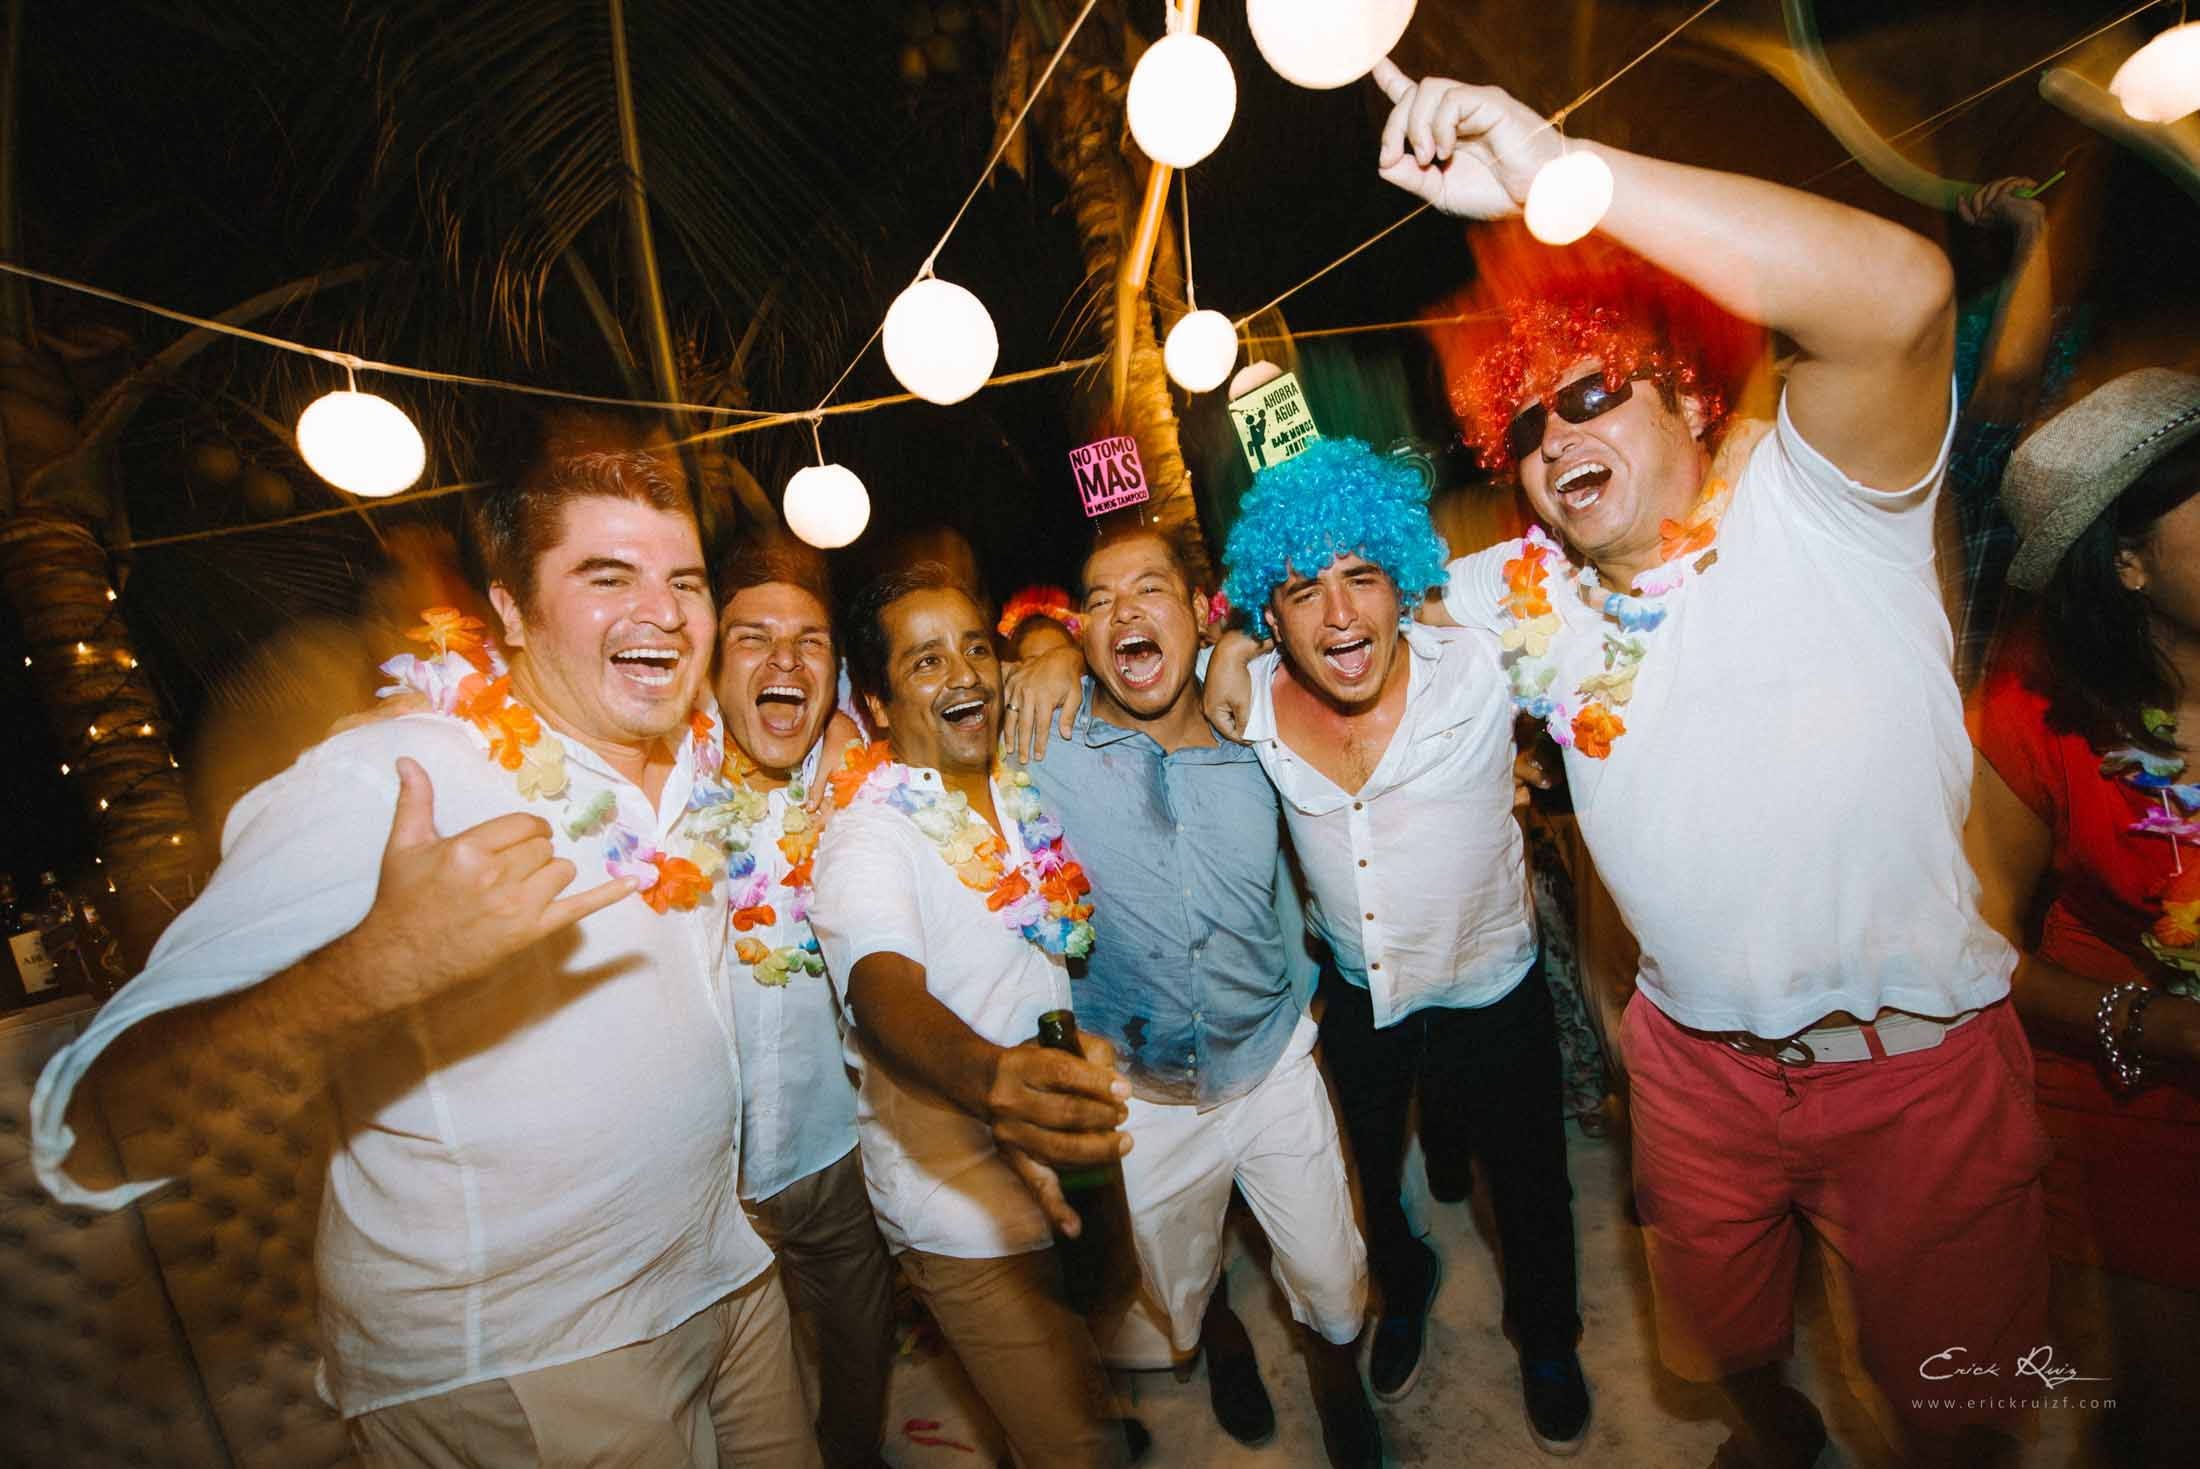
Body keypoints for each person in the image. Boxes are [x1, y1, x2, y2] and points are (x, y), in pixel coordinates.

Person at [1220, 59, 2047, 1469]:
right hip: (1691, 1068)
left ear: (1686, 394)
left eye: (1591, 393)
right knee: (1723, 1343)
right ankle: (1777, 1441)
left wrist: (1565, 177)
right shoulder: (1523, 594)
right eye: (1525, 425)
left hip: (1913, 1067)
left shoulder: (1820, 498)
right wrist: (1194, 651)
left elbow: (1906, 298)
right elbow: (1344, 604)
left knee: (1955, 1409)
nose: (1555, 440)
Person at [31, 444, 823, 1467]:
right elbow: (100, 1123)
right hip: (525, 1354)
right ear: (509, 612)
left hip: (723, 1280)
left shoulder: (691, 759)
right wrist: (378, 964)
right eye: (607, 576)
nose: (662, 613)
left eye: (684, 581)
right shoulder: (388, 776)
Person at [1205, 436, 1591, 1456]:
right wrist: (1221, 647)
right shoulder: (1246, 698)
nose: (1339, 614)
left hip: (1492, 986)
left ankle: (1547, 1337)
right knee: (1367, 1182)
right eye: (1303, 590)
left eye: (1362, 577)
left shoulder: (1479, 658)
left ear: (1402, 580)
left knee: (1532, 1188)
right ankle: (1406, 1284)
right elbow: (1151, 670)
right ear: (1269, 612)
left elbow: (1580, 558)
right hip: (1360, 995)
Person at [1004, 522, 1380, 1466]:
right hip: (1141, 1092)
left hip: (1268, 1060)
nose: (1124, 611)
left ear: (1198, 612)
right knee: (1179, 1285)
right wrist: (1041, 659)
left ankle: (1339, 1379)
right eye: (1098, 601)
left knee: (1333, 1277)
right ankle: (1222, 1335)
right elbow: (935, 714)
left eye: (1148, 589)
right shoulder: (1047, 738)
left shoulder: (1258, 721)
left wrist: (1245, 644)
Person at [807, 564, 1137, 1469]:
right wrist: (995, 1081)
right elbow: (883, 993)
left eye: (976, 648)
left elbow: (1056, 659)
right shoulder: (868, 838)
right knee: (1075, 1448)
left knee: (1108, 1305)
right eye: (925, 661)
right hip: (961, 1211)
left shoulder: (1013, 786)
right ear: (877, 704)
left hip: (1066, 1151)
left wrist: (1059, 648)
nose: (963, 674)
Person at [1968, 367, 2200, 1469]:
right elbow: (1973, 947)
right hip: (2128, 1077)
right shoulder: (2037, 706)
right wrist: (2159, 1024)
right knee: (2164, 1416)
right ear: (2127, 561)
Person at [707, 536, 894, 1469]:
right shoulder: (658, 792)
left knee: (863, 1344)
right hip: (704, 1176)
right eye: (753, 637)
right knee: (732, 1399)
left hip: (833, 1146)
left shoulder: (859, 782)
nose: (785, 660)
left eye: (809, 641)